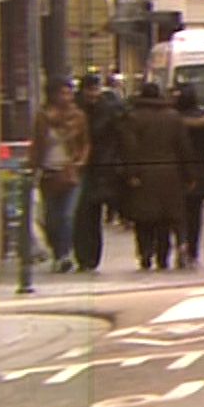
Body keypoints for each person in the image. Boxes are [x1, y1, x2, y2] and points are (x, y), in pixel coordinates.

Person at [119, 82, 195, 271]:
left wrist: (131, 174)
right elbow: (184, 148)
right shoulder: (173, 117)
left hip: (144, 174)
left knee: (144, 219)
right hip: (170, 174)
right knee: (165, 219)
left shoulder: (133, 118)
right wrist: (189, 174)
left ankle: (145, 254)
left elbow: (129, 149)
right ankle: (163, 256)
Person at [32, 77, 91, 273]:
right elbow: (37, 145)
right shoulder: (42, 118)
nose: (67, 97)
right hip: (49, 173)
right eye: (62, 93)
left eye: (69, 92)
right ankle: (57, 252)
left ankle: (64, 255)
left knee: (66, 216)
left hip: (70, 173)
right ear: (53, 95)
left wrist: (81, 161)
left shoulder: (78, 116)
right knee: (51, 219)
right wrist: (33, 167)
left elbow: (85, 143)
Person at [73, 73, 129, 271]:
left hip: (103, 166)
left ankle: (91, 257)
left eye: (95, 89)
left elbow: (120, 136)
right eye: (89, 90)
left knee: (93, 211)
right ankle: (84, 257)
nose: (92, 94)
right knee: (83, 213)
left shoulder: (109, 109)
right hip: (81, 166)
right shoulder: (76, 109)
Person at [174, 85, 204, 268]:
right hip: (200, 173)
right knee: (195, 214)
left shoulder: (174, 121)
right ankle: (193, 251)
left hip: (178, 172)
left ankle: (181, 243)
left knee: (178, 213)